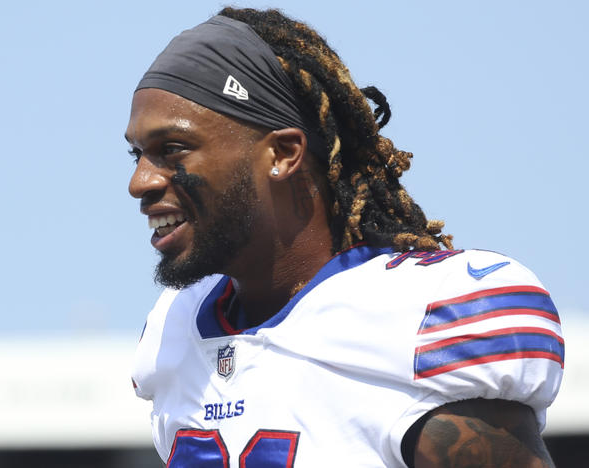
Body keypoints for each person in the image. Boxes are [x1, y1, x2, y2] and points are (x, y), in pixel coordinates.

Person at [127, 7, 563, 467]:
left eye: (171, 149)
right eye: (136, 154)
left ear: (282, 153)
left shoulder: (417, 315)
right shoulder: (175, 330)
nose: (141, 182)